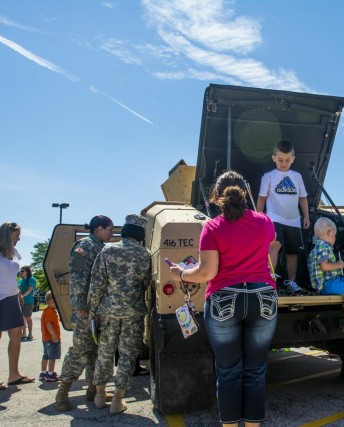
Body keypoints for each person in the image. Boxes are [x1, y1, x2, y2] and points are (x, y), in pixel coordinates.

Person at [171, 171, 277, 427]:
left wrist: (182, 273)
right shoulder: (265, 222)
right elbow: (272, 246)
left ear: (216, 198)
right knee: (255, 371)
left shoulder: (212, 226)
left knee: (229, 372)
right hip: (262, 296)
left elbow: (207, 272)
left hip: (224, 299)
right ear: (248, 194)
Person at [88, 214, 151, 415]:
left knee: (105, 353)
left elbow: (96, 284)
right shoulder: (145, 254)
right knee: (127, 356)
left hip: (108, 312)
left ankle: (99, 395)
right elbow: (146, 283)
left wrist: (92, 311)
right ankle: (117, 399)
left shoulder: (107, 250)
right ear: (140, 234)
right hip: (133, 313)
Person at [55, 215, 114, 411]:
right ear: (98, 229)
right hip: (86, 310)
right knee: (79, 351)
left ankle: (93, 389)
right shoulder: (85, 247)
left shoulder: (101, 247)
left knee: (96, 351)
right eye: (109, 229)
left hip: (99, 309)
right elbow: (78, 276)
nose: (111, 233)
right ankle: (62, 393)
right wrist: (81, 305)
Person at [0, 221, 35, 390]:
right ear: (7, 235)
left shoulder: (12, 254)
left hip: (12, 299)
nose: (19, 238)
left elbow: (10, 277)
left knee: (16, 334)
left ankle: (14, 375)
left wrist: (17, 292)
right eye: (16, 235)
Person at [257, 140, 309, 292]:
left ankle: (291, 284)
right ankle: (269, 281)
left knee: (293, 254)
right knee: (274, 248)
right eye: (280, 160)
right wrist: (260, 218)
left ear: (293, 159)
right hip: (274, 219)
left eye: (287, 160)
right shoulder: (269, 176)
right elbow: (261, 198)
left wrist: (306, 216)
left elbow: (303, 198)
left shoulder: (297, 177)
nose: (284, 163)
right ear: (274, 158)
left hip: (294, 221)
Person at [40, 291, 61, 382]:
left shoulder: (46, 311)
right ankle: (51, 374)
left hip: (45, 338)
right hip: (51, 338)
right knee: (52, 357)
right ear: (52, 301)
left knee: (46, 356)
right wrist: (54, 334)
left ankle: (43, 372)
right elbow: (48, 323)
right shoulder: (50, 312)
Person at [18, 265, 36, 340]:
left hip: (28, 301)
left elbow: (29, 290)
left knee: (28, 317)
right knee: (22, 318)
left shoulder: (31, 279)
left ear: (27, 272)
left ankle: (30, 334)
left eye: (22, 271)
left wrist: (22, 296)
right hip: (20, 302)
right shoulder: (20, 280)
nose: (21, 272)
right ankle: (23, 333)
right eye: (20, 271)